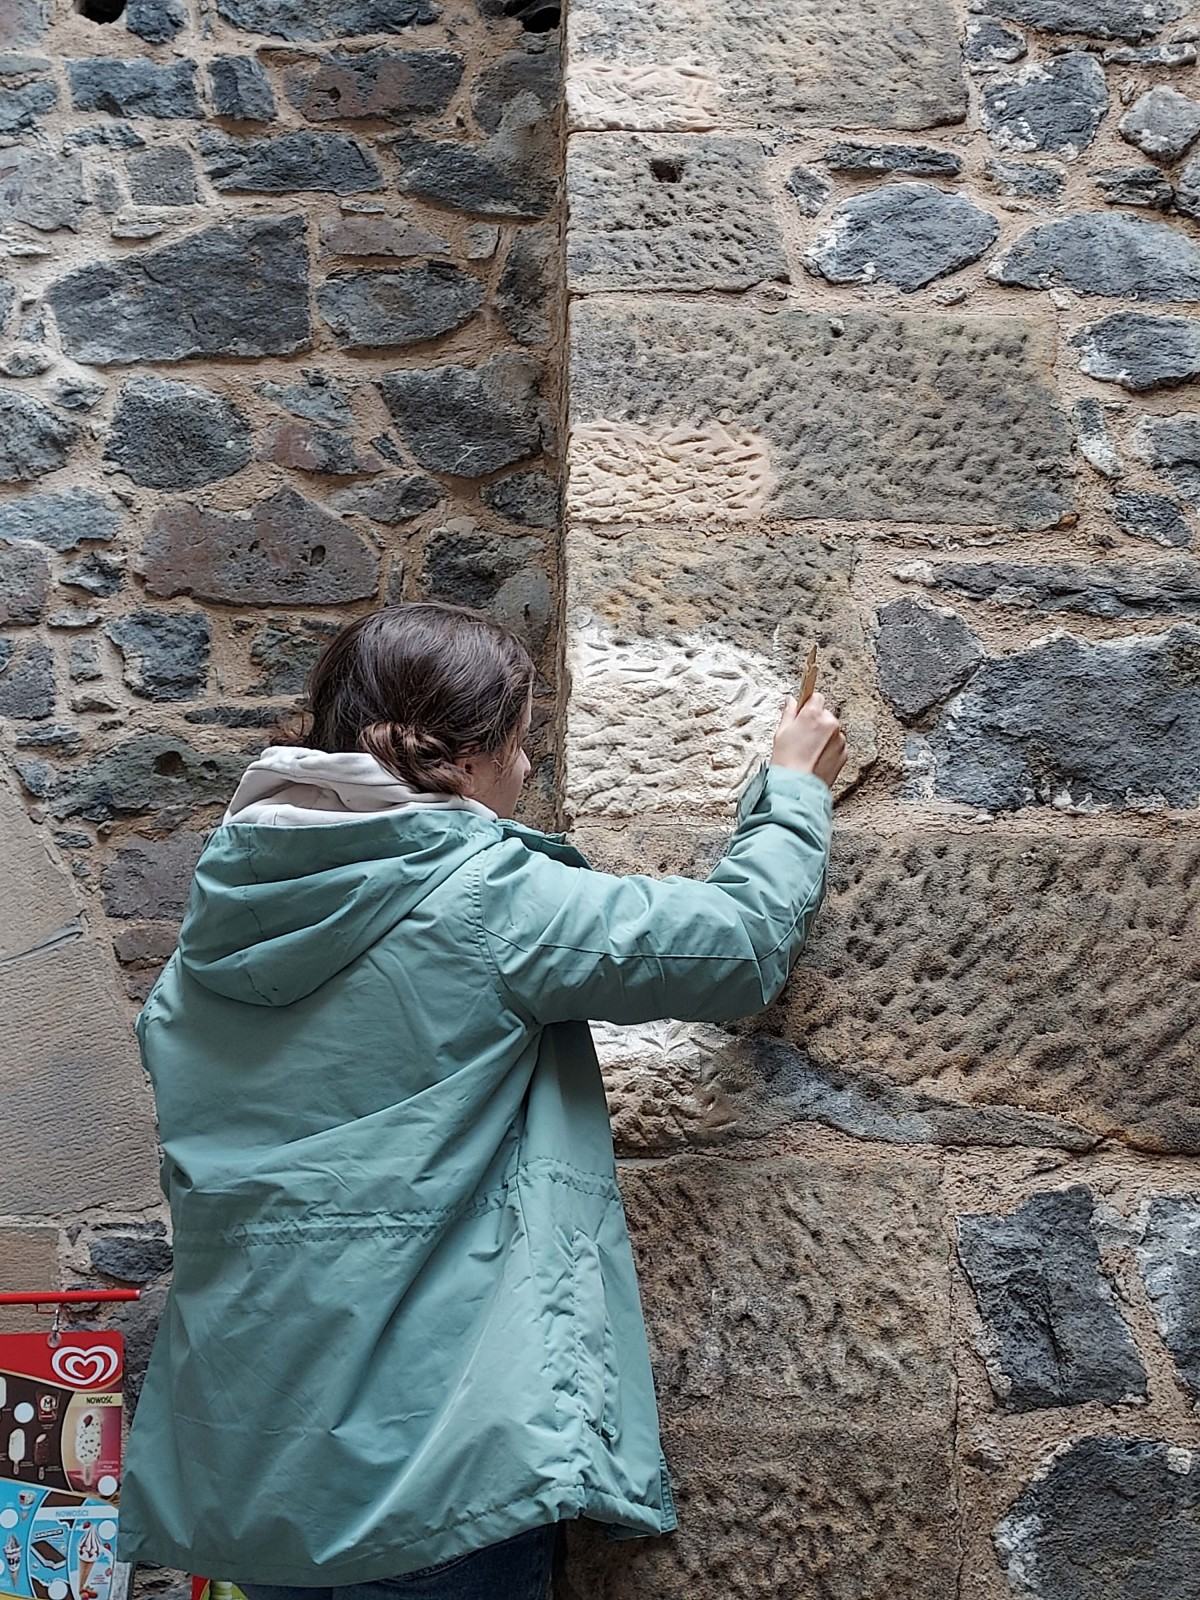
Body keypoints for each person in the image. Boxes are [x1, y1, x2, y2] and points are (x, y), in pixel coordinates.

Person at [117, 601, 846, 1600]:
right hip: (437, 1458)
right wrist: (792, 789)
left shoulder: (217, 929)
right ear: (461, 760)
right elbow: (736, 945)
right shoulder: (482, 897)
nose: (529, 765)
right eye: (521, 740)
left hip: (254, 1464)